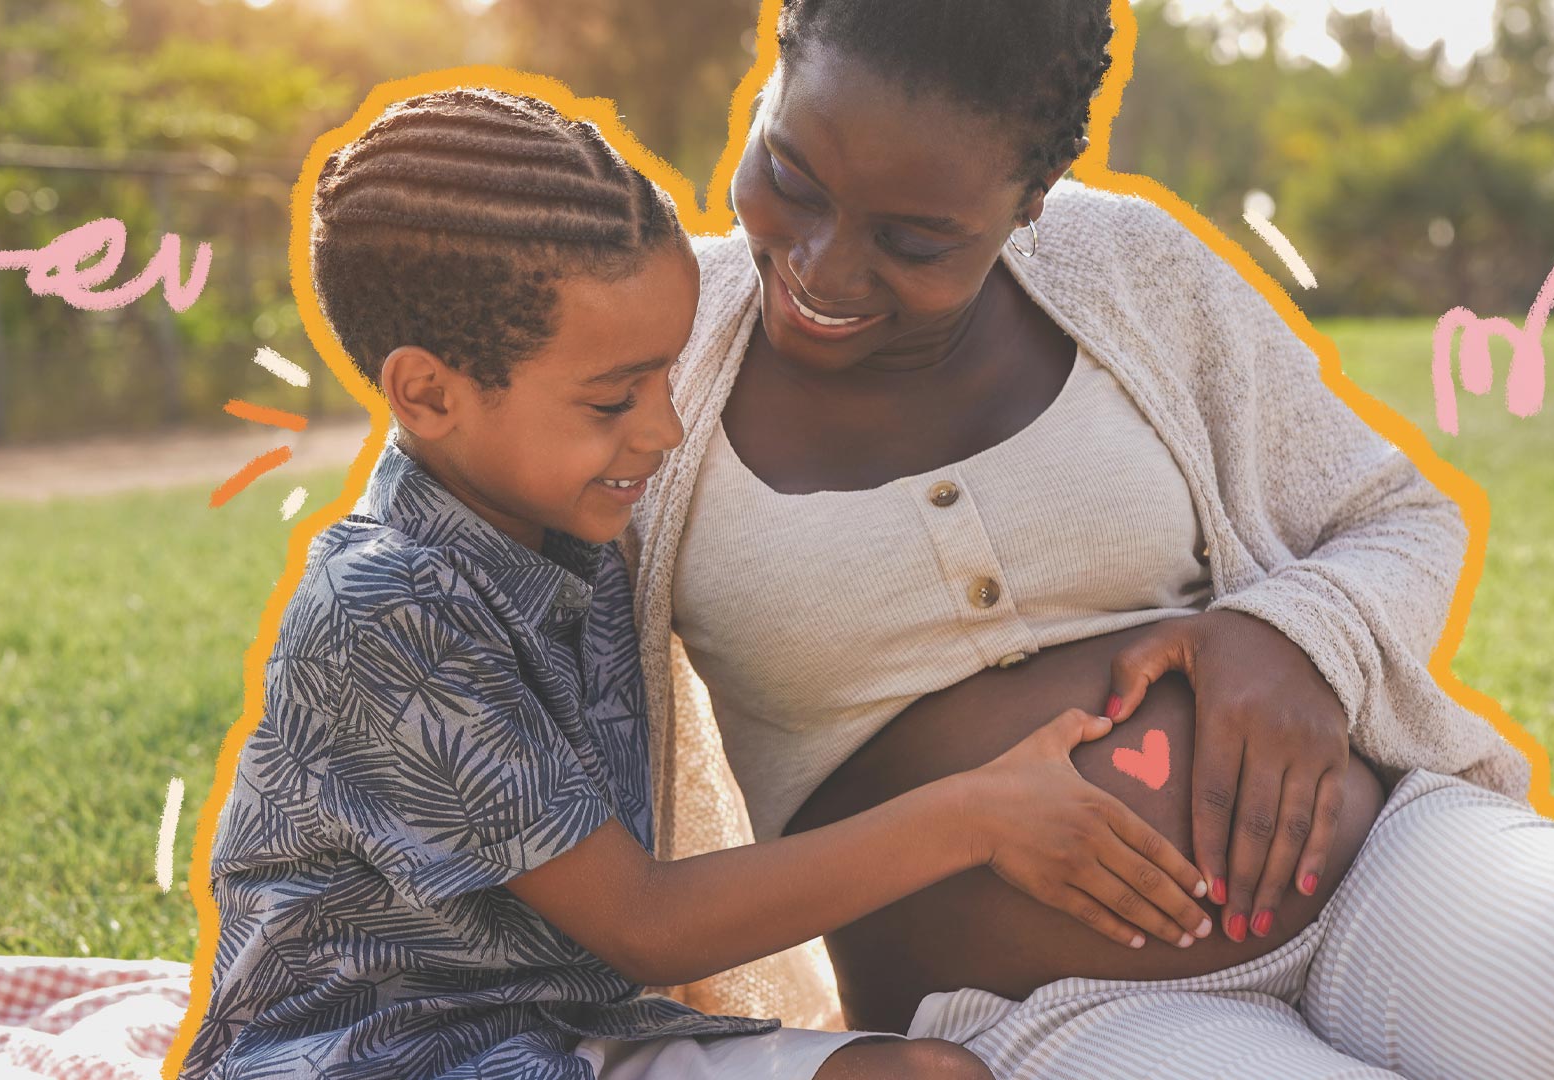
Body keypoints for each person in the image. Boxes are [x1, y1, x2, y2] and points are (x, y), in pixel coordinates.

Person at [629, 2, 1554, 1076]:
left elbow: (1393, 515)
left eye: (916, 239)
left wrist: (1292, 634)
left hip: (1381, 873)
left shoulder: (1126, 266)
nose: (825, 265)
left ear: (1032, 196)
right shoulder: (644, 357)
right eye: (790, 177)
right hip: (1045, 1013)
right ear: (770, 81)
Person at [174, 85, 1220, 1080]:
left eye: (667, 374)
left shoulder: (562, 527)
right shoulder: (387, 608)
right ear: (429, 393)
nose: (665, 428)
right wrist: (980, 814)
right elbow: (647, 924)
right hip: (376, 1056)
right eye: (611, 399)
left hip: (566, 1036)